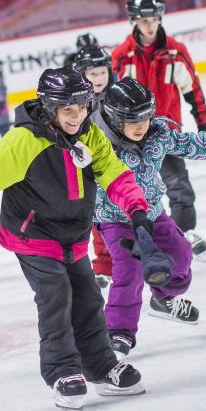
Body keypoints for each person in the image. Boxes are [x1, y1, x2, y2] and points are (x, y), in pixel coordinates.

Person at [0, 67, 148, 411]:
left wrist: (137, 208)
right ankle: (62, 371)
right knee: (56, 294)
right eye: (68, 111)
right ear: (50, 107)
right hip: (32, 234)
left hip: (73, 235)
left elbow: (114, 172)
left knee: (87, 296)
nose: (77, 117)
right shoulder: (24, 141)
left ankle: (100, 366)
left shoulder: (90, 135)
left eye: (83, 107)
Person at [94, 78, 206, 356]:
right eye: (133, 120)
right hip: (117, 219)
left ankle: (163, 300)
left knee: (181, 258)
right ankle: (119, 333)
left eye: (145, 117)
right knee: (129, 272)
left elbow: (197, 144)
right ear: (115, 119)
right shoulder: (97, 146)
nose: (141, 125)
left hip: (153, 212)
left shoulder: (157, 135)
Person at [110, 0, 206, 257]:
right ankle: (135, 240)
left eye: (154, 18)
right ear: (133, 20)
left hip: (165, 133)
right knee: (132, 192)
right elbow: (110, 98)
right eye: (143, 20)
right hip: (129, 136)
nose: (150, 25)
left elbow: (193, 88)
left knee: (179, 186)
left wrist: (202, 123)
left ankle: (183, 233)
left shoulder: (176, 52)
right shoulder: (123, 55)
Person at [71, 44, 118, 282]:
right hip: (90, 170)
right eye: (92, 74)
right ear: (82, 75)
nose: (99, 79)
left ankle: (136, 256)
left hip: (119, 166)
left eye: (102, 73)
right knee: (98, 219)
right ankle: (103, 265)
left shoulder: (118, 95)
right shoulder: (77, 103)